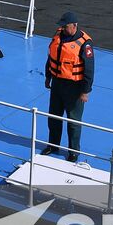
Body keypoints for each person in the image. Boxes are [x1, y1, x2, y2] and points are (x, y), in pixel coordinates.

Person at [41, 11, 94, 161]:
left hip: (75, 87)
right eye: (62, 26)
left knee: (73, 121)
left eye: (66, 26)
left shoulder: (85, 44)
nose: (63, 29)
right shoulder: (58, 36)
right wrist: (48, 76)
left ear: (74, 26)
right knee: (53, 116)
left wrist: (85, 91)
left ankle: (73, 152)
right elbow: (51, 57)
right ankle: (53, 145)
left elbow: (89, 69)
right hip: (58, 83)